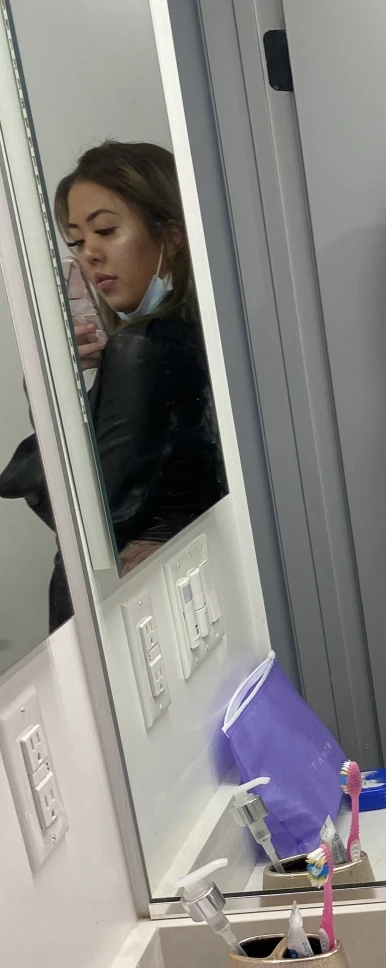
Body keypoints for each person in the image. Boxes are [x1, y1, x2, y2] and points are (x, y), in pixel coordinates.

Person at [0, 141, 226, 628]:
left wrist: (50, 392)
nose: (90, 254)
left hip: (123, 609)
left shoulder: (140, 348)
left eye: (105, 230)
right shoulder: (203, 333)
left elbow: (82, 514)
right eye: (76, 241)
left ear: (172, 234)